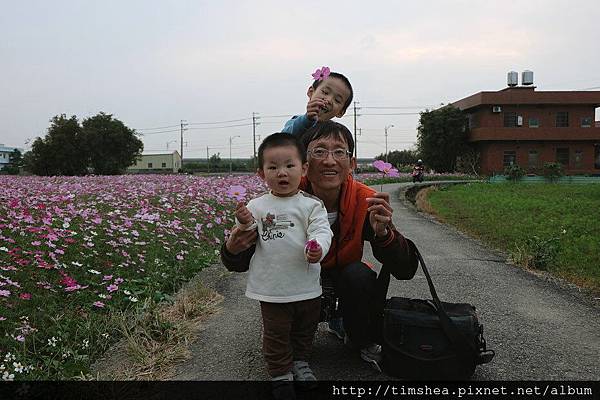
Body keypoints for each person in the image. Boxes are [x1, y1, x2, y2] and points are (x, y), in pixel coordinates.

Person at [223, 121, 418, 375]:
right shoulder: (281, 198)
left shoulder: (366, 200)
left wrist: (384, 234)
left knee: (359, 274)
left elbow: (406, 269)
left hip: (342, 277)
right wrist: (232, 248)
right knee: (284, 339)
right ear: (305, 163)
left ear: (352, 163)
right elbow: (237, 261)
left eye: (339, 152)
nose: (329, 161)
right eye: (319, 151)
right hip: (296, 278)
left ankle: (358, 335)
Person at [222, 132, 333, 399]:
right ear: (261, 173)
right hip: (271, 288)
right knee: (276, 333)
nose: (282, 173)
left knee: (306, 329)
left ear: (303, 168)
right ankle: (280, 373)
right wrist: (242, 221)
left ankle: (300, 362)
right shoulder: (257, 205)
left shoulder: (311, 205)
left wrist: (317, 247)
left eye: (289, 166)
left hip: (306, 285)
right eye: (273, 167)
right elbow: (248, 233)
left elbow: (322, 230)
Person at [282, 67, 353, 136]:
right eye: (325, 92)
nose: (328, 100)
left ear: (341, 112)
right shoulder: (297, 123)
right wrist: (307, 120)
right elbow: (284, 139)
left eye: (337, 100)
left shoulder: (335, 134)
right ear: (311, 92)